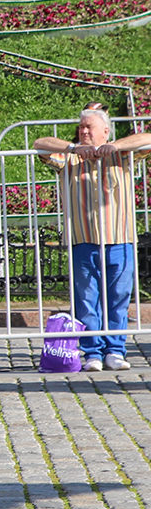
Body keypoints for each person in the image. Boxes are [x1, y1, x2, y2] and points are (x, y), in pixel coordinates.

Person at [36, 106, 151, 371]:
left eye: (90, 127)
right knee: (87, 300)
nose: (84, 131)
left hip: (119, 238)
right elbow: (39, 144)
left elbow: (147, 138)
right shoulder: (70, 158)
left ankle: (115, 350)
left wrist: (115, 145)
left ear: (105, 131)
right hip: (83, 240)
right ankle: (92, 352)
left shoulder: (123, 156)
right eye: (82, 127)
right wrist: (72, 148)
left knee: (118, 298)